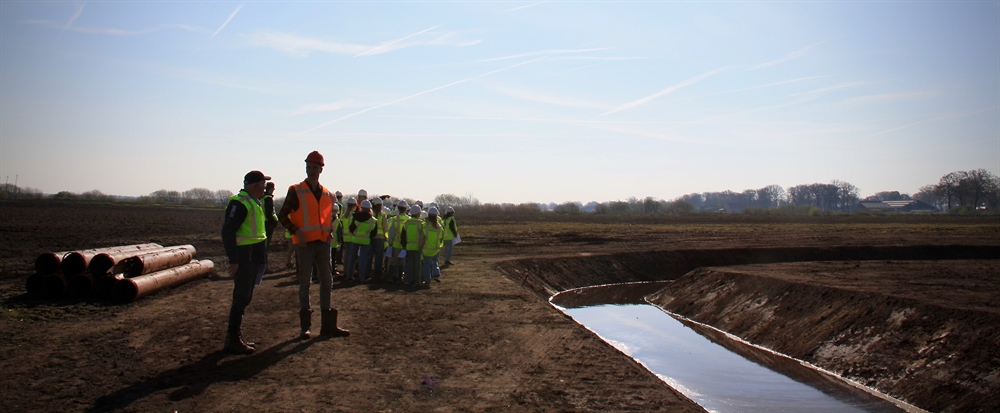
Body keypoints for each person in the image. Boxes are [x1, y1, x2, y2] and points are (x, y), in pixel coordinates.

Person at [277, 151, 349, 339]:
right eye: (309, 167)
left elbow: (328, 219)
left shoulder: (327, 194)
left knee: (327, 281)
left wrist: (329, 234)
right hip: (304, 245)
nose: (311, 170)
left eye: (315, 167)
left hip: (323, 245)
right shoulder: (296, 190)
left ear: (321, 169)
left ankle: (328, 326)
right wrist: (297, 232)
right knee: (305, 284)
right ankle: (305, 328)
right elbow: (282, 215)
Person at [221, 170, 270, 354]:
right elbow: (228, 232)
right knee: (241, 297)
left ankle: (235, 335)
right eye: (263, 183)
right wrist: (233, 260)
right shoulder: (240, 203)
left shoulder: (254, 202)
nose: (264, 187)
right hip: (244, 258)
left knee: (245, 297)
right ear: (256, 185)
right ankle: (232, 337)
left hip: (253, 258)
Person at [344, 199, 375, 283]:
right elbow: (373, 232)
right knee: (363, 259)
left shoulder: (356, 216)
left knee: (352, 258)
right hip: (365, 241)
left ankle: (349, 276)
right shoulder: (372, 220)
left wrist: (355, 234)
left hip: (355, 239)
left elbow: (351, 228)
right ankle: (361, 278)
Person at [420, 207, 445, 285]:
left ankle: (427, 280)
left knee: (426, 265)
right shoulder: (439, 228)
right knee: (434, 262)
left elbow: (422, 238)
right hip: (435, 249)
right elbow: (441, 238)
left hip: (426, 249)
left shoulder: (424, 225)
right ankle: (436, 273)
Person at [385, 200, 408, 283]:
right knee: (402, 262)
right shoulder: (408, 219)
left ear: (398, 208)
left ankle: (391, 277)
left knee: (393, 261)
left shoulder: (395, 219)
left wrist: (390, 242)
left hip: (395, 243)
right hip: (405, 245)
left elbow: (391, 232)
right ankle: (399, 277)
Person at [401, 205, 423, 287]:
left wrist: (404, 245)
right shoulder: (420, 223)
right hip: (417, 247)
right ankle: (416, 281)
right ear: (418, 213)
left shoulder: (406, 223)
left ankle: (407, 280)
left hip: (409, 246)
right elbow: (422, 236)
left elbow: (403, 236)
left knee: (408, 265)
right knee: (417, 265)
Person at [367, 196, 388, 281]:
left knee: (369, 256)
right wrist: (386, 237)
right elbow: (386, 227)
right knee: (379, 257)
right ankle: (377, 274)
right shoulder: (383, 215)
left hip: (370, 237)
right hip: (380, 238)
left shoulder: (369, 214)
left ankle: (367, 273)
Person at [263, 182, 279, 251]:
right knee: (266, 243)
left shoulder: (262, 197)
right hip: (268, 223)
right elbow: (269, 213)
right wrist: (274, 222)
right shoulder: (268, 198)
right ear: (272, 189)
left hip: (263, 222)